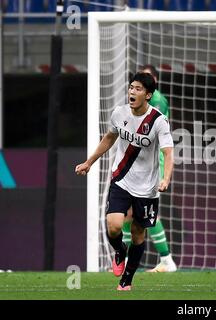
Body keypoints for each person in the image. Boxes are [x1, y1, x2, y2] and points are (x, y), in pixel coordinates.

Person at [75, 72, 174, 290]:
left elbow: (168, 153)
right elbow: (109, 138)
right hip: (121, 178)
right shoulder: (119, 113)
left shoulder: (158, 120)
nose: (132, 92)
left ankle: (126, 281)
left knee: (139, 233)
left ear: (148, 95)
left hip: (147, 187)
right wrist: (89, 162)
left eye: (138, 89)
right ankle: (120, 250)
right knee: (114, 226)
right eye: (131, 87)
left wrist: (165, 178)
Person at [120, 64, 177, 273]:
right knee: (127, 213)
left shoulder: (157, 100)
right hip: (138, 164)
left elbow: (151, 131)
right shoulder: (140, 103)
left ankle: (167, 260)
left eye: (147, 78)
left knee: (145, 213)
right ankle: (124, 260)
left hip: (152, 164)